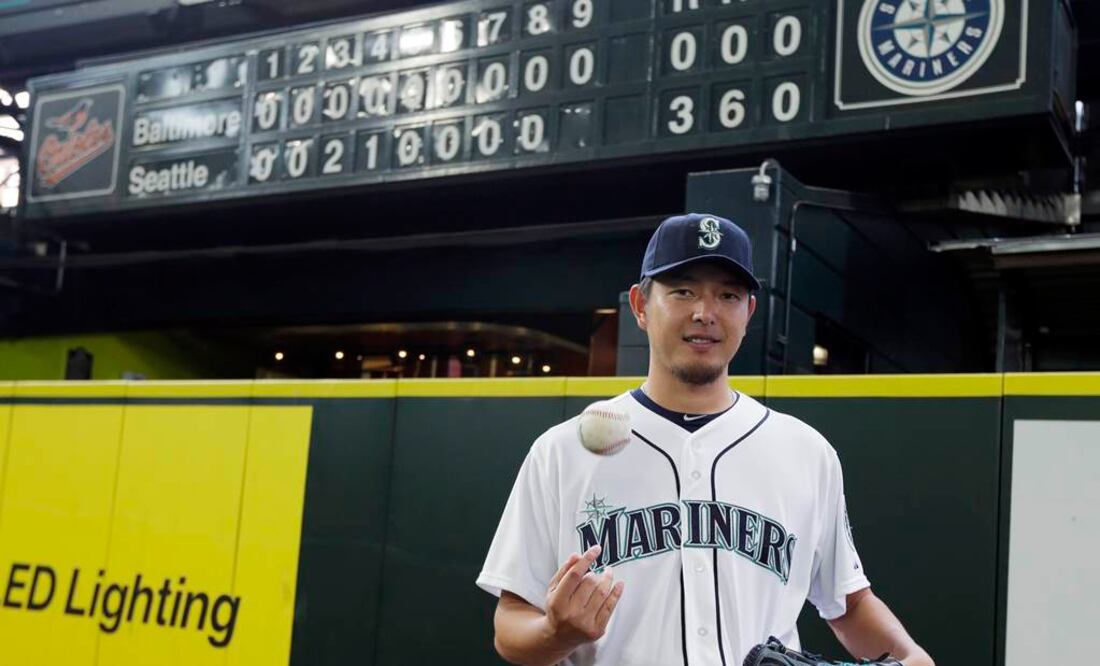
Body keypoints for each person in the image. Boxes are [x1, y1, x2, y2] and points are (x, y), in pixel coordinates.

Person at [476, 213, 935, 666]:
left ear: (749, 312)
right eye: (683, 290)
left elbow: (849, 604)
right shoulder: (562, 451)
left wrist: (911, 655)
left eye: (728, 295)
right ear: (639, 305)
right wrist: (555, 634)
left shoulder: (806, 452)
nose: (705, 312)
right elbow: (511, 623)